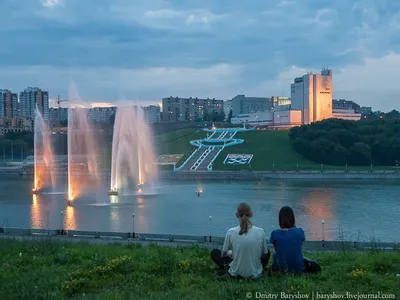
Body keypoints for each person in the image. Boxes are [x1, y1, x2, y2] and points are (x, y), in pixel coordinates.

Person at [211, 202, 271, 279]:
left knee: (215, 252)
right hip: (255, 273)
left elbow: (223, 254)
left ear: (237, 215)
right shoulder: (260, 231)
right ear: (251, 214)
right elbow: (265, 253)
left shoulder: (231, 232)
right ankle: (257, 269)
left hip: (236, 272)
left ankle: (231, 270)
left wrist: (230, 253)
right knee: (268, 252)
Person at [270, 206, 320, 273]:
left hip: (282, 268)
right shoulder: (300, 232)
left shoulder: (274, 234)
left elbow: (278, 251)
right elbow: (298, 246)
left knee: (275, 255)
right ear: (293, 218)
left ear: (280, 219)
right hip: (298, 268)